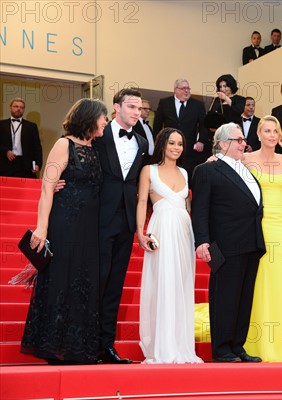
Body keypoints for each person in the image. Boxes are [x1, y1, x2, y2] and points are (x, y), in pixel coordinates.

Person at [21, 98, 107, 364]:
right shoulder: (63, 144)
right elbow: (47, 187)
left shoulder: (97, 147)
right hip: (65, 222)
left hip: (89, 227)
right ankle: (54, 346)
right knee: (62, 280)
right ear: (89, 118)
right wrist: (42, 227)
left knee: (84, 283)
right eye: (103, 117)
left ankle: (77, 347)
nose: (105, 121)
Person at [191, 123, 264, 363]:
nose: (245, 143)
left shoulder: (246, 170)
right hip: (225, 244)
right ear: (222, 144)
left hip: (251, 243)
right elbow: (200, 209)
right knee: (225, 297)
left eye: (244, 140)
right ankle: (222, 349)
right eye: (239, 140)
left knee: (244, 298)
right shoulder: (207, 170)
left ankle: (237, 346)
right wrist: (202, 241)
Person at [136, 128, 202, 364]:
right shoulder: (149, 170)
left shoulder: (185, 171)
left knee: (182, 284)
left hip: (184, 231)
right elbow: (143, 201)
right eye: (172, 143)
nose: (176, 148)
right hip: (161, 228)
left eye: (180, 144)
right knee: (162, 283)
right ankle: (162, 345)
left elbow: (188, 207)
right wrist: (140, 233)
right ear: (162, 144)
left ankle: (181, 346)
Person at [242, 116, 282, 362]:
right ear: (258, 134)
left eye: (275, 131)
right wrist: (215, 157)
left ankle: (281, 344)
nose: (271, 135)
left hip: (281, 223)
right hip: (258, 223)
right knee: (260, 278)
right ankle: (256, 343)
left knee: (278, 277)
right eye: (266, 130)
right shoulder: (246, 159)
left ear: (279, 135)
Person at [97, 88, 149, 364]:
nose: (136, 112)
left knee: (115, 284)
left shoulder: (141, 143)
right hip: (97, 219)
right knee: (96, 280)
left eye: (139, 108)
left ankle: (106, 346)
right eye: (131, 107)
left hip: (126, 221)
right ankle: (85, 342)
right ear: (116, 107)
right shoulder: (99, 134)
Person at [153, 79, 208, 176]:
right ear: (175, 89)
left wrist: (201, 141)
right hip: (168, 147)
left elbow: (204, 125)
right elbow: (157, 124)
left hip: (189, 149)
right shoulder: (164, 103)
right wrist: (158, 143)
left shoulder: (197, 105)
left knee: (186, 173)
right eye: (183, 88)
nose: (186, 91)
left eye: (188, 88)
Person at [0, 98, 42, 178]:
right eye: (16, 106)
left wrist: (38, 164)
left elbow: (37, 147)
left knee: (25, 189)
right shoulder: (1, 124)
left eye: (21, 107)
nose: (19, 109)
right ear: (10, 108)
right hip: (5, 163)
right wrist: (6, 151)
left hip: (25, 165)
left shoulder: (31, 126)